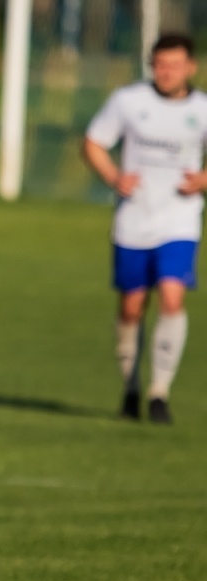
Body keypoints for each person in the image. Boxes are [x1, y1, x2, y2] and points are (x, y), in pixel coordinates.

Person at [83, 32, 207, 424]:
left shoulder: (202, 109)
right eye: (159, 64)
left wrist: (203, 179)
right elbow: (94, 141)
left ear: (191, 67)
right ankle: (132, 387)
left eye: (174, 65)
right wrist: (113, 176)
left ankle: (160, 392)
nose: (166, 72)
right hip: (134, 218)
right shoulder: (129, 102)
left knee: (172, 296)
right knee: (132, 305)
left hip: (180, 218)